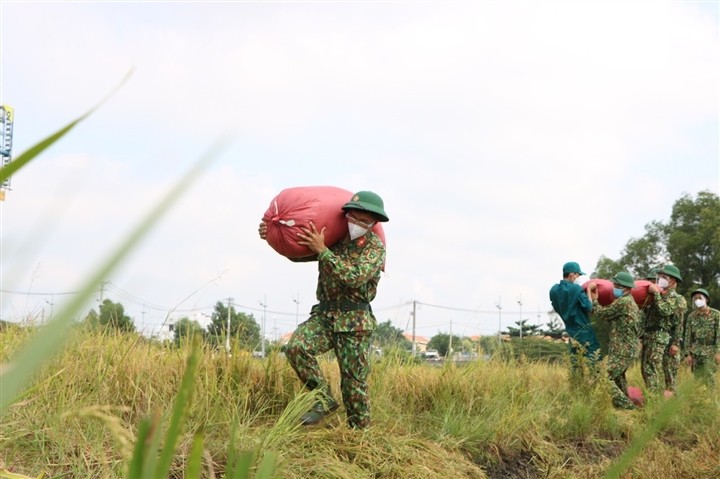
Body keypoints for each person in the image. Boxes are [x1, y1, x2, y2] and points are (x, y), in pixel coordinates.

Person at [258, 190, 389, 429]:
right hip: (325, 316)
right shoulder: (334, 239)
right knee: (297, 347)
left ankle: (360, 437)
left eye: (364, 220)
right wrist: (272, 237)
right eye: (353, 217)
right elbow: (299, 255)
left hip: (354, 322)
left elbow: (354, 277)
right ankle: (323, 398)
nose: (357, 224)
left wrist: (324, 251)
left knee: (353, 384)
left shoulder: (374, 249)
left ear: (374, 223)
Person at [591, 272, 641, 409]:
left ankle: (629, 407)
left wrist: (594, 299)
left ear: (625, 287)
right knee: (619, 378)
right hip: (623, 349)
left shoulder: (624, 302)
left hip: (623, 350)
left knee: (603, 376)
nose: (614, 287)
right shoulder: (627, 302)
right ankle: (622, 407)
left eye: (616, 285)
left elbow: (603, 313)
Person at [641, 264, 687, 393]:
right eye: (659, 276)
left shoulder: (676, 298)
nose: (659, 279)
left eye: (664, 277)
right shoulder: (659, 296)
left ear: (672, 280)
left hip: (663, 336)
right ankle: (655, 398)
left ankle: (659, 401)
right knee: (647, 369)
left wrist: (676, 343)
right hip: (650, 335)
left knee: (667, 373)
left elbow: (672, 317)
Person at [549, 262, 601, 369]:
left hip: (571, 332)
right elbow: (588, 307)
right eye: (578, 275)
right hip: (584, 330)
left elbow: (556, 306)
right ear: (572, 274)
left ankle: (577, 383)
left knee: (576, 363)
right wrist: (589, 293)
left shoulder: (554, 290)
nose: (579, 278)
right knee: (593, 362)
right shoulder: (576, 289)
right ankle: (592, 384)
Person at [683, 288, 720, 386]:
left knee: (709, 378)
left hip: (710, 351)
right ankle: (699, 399)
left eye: (700, 298)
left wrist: (718, 352)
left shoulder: (716, 315)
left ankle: (710, 399)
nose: (697, 300)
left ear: (706, 299)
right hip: (696, 351)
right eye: (695, 298)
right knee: (697, 379)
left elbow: (719, 335)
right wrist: (687, 354)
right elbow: (687, 335)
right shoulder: (692, 316)